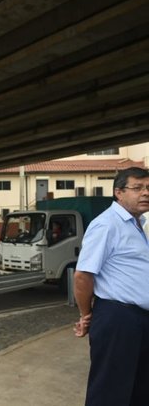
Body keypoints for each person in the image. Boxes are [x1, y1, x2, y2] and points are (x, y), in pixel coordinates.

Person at [73, 166, 149, 406]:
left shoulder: (138, 224)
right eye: (137, 188)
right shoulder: (107, 224)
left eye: (148, 188)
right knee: (111, 391)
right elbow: (83, 275)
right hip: (119, 318)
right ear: (118, 192)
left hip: (139, 319)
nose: (145, 193)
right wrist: (87, 314)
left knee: (139, 389)